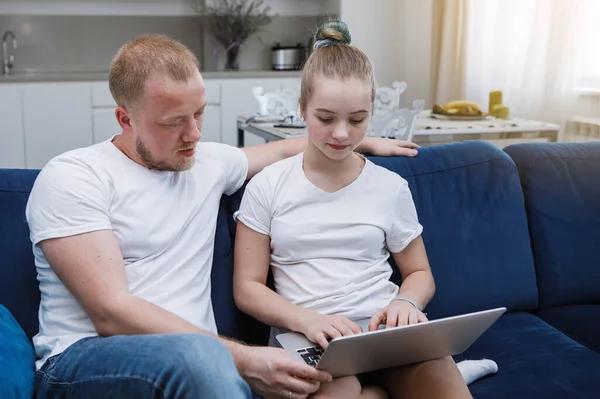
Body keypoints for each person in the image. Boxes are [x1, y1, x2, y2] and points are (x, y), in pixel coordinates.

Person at [24, 33, 421, 399]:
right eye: (174, 122)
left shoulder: (205, 161)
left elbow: (288, 148)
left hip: (203, 366)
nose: (194, 134)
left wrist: (358, 137)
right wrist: (244, 359)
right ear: (125, 119)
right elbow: (111, 313)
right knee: (204, 360)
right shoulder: (73, 177)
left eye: (198, 114)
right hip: (85, 360)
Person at [233, 20, 497, 399]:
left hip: (383, 333)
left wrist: (406, 301)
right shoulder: (267, 186)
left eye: (357, 120)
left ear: (371, 114)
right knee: (343, 390)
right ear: (302, 110)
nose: (341, 133)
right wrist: (307, 319)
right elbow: (247, 287)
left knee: (439, 382)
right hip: (308, 336)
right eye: (326, 118)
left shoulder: (390, 188)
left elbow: (420, 272)